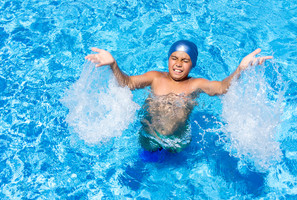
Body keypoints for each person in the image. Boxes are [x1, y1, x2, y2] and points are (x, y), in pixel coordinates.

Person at [85, 40, 272, 153]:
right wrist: (113, 64)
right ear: (168, 58)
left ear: (192, 64)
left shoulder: (195, 84)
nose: (178, 64)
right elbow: (126, 83)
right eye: (174, 58)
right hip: (148, 136)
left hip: (177, 142)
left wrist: (240, 69)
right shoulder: (155, 77)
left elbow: (222, 88)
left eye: (185, 60)